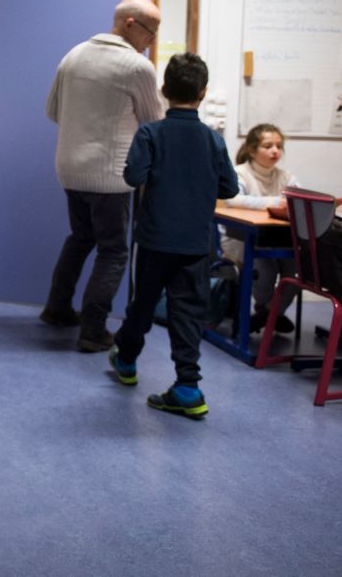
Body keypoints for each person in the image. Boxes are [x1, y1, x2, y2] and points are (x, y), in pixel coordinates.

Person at [108, 53, 239, 419]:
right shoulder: (213, 140)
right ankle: (187, 386)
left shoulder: (150, 133)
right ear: (203, 92)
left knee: (144, 302)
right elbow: (229, 188)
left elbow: (133, 176)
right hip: (195, 243)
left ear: (164, 90)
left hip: (154, 239)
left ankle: (127, 360)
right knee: (189, 312)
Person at [41, 0, 165, 352]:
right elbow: (154, 122)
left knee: (81, 237)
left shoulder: (74, 55)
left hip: (69, 169)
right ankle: (93, 330)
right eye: (150, 31)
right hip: (110, 176)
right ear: (129, 23)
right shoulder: (137, 67)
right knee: (113, 251)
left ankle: (57, 308)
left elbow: (53, 111)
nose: (151, 41)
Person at [220, 124, 301, 333]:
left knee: (298, 268)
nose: (275, 151)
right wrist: (275, 202)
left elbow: (300, 202)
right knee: (266, 267)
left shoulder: (285, 176)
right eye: (268, 146)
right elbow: (233, 200)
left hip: (277, 238)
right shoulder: (239, 173)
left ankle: (267, 314)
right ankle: (272, 313)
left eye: (279, 146)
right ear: (252, 150)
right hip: (241, 238)